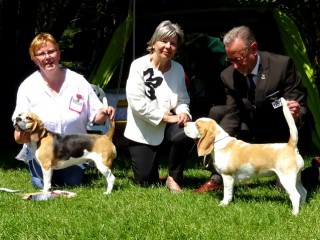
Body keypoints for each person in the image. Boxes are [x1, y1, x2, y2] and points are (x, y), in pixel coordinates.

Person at [193, 25, 310, 193]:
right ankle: (217, 178)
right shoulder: (228, 76)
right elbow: (233, 114)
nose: (234, 66)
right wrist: (213, 141)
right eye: (230, 60)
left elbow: (301, 105)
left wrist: (296, 113)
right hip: (250, 130)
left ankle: (314, 171)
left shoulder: (282, 65)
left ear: (253, 49)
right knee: (218, 113)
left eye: (238, 59)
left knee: (285, 188)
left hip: (280, 135)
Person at [12, 33, 115, 190]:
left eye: (51, 51)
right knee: (40, 184)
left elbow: (97, 117)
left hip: (72, 148)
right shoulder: (28, 86)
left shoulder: (78, 81)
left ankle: (72, 169)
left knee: (72, 182)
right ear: (34, 59)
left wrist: (104, 112)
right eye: (41, 54)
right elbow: (18, 129)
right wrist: (21, 136)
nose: (47, 57)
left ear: (59, 53)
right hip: (42, 148)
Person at [124, 20, 193, 193]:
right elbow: (136, 102)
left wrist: (183, 112)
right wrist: (166, 116)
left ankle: (173, 177)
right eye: (164, 41)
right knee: (146, 181)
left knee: (186, 133)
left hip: (170, 126)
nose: (168, 46)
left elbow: (183, 98)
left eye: (173, 43)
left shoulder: (178, 69)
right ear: (154, 42)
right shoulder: (138, 66)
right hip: (143, 130)